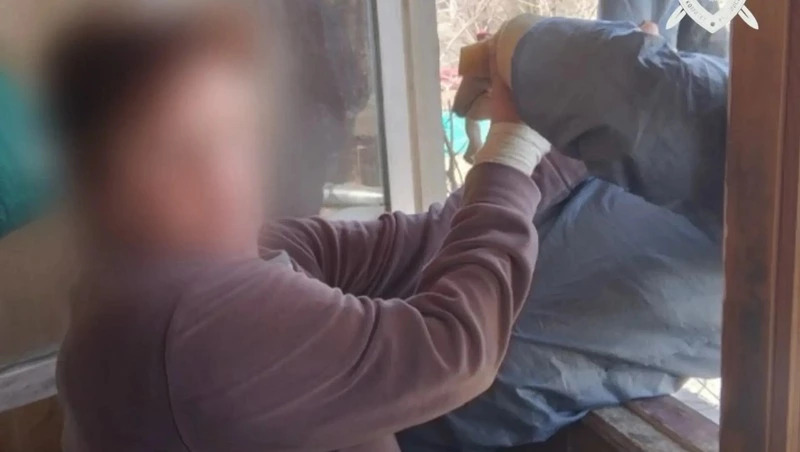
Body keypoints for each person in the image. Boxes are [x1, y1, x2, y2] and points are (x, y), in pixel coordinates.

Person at [50, 4, 582, 451]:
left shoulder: (180, 266)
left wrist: (565, 138)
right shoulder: (194, 317)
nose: (222, 178)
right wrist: (512, 150)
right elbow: (453, 347)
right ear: (104, 180)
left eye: (232, 135)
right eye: (174, 152)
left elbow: (421, 239)